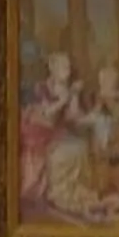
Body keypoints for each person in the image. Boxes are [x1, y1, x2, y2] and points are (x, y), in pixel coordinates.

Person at [18, 52, 81, 200]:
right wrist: (64, 100)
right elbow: (47, 114)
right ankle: (53, 190)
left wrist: (75, 96)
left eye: (69, 67)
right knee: (71, 149)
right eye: (64, 66)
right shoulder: (41, 87)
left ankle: (65, 190)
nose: (68, 70)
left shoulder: (68, 89)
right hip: (37, 128)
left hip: (54, 129)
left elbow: (73, 117)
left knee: (79, 147)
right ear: (53, 68)